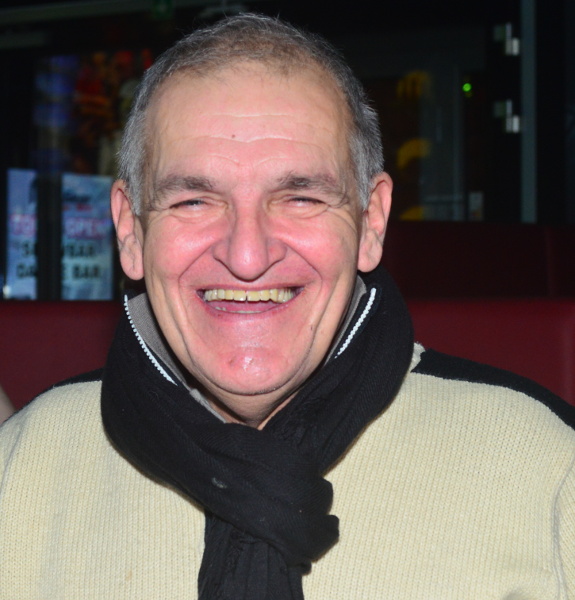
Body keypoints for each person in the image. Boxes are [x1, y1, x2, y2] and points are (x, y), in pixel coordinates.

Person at [0, 14, 574, 599]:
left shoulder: (545, 470)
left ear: (372, 222)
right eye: (194, 200)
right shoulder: (22, 469)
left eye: (300, 197)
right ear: (129, 231)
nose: (247, 256)